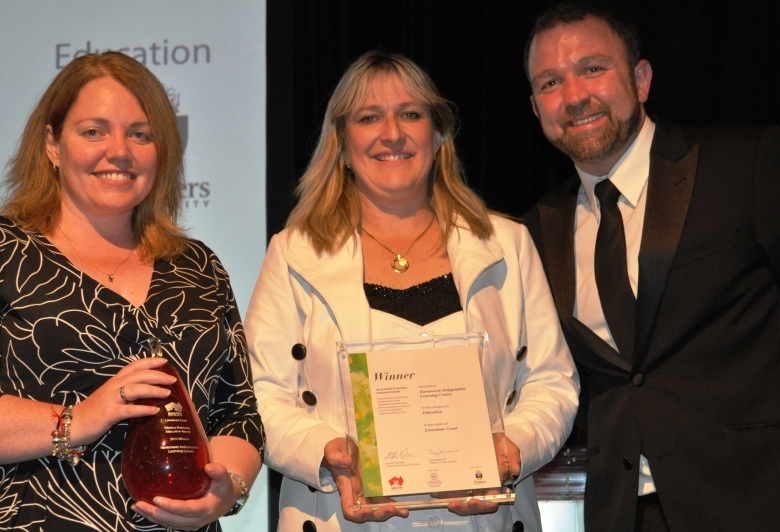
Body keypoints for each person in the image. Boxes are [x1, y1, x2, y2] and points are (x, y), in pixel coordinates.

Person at [520, 3, 780, 531]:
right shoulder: (535, 232)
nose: (573, 95)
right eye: (549, 82)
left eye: (592, 68)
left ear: (640, 79)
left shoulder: (747, 165)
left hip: (772, 498)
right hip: (626, 514)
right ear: (535, 106)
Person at [0, 51, 263, 531]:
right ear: (52, 144)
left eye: (141, 133)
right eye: (94, 131)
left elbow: (238, 413)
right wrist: (76, 419)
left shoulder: (197, 267)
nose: (120, 150)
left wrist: (225, 492)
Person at [245, 50, 579, 531]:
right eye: (368, 117)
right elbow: (261, 395)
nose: (392, 133)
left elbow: (553, 382)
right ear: (341, 142)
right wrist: (328, 454)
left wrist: (513, 447)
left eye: (410, 114)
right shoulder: (293, 253)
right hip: (343, 518)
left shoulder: (507, 243)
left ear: (439, 133)